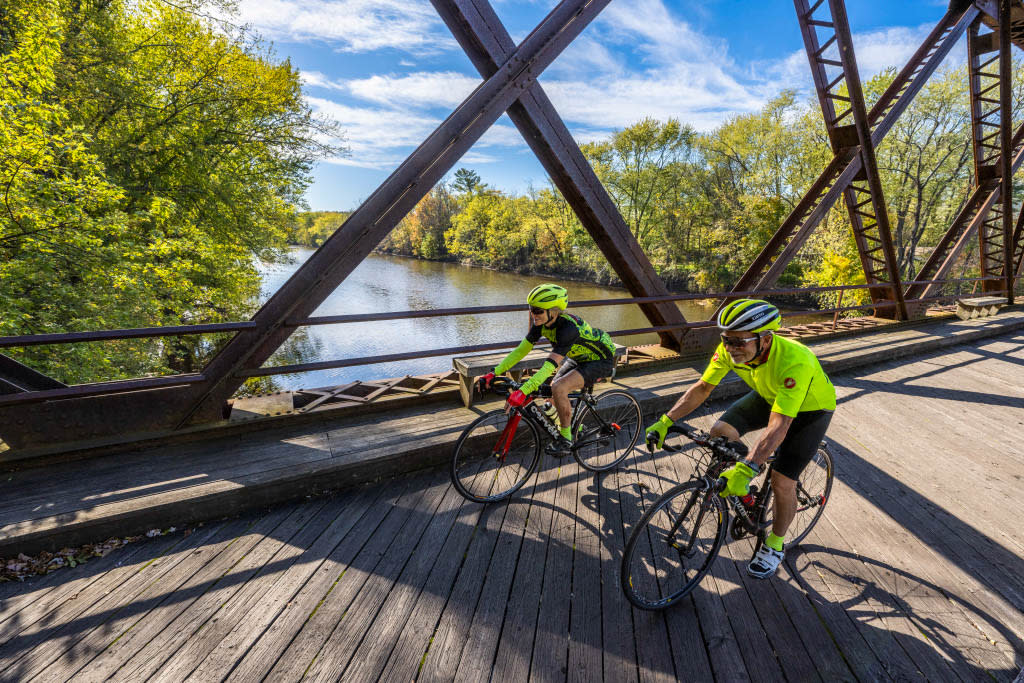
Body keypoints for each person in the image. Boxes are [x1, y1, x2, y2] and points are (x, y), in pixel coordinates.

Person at [644, 298, 836, 579]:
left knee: (782, 480)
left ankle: (774, 545)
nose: (731, 348)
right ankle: (745, 493)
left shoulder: (796, 361)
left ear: (766, 339)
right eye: (726, 339)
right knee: (720, 432)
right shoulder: (730, 349)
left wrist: (748, 467)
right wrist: (666, 420)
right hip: (769, 394)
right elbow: (702, 388)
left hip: (811, 410)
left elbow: (780, 424)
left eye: (738, 342)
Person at [477, 284, 616, 455]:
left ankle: (566, 438)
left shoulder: (567, 329)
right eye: (531, 309)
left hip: (600, 360)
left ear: (554, 310)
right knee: (551, 393)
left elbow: (550, 365)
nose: (533, 314)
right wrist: (494, 372)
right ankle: (572, 425)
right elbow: (521, 351)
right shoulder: (541, 323)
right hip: (578, 358)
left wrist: (524, 390)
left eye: (537, 310)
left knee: (559, 388)